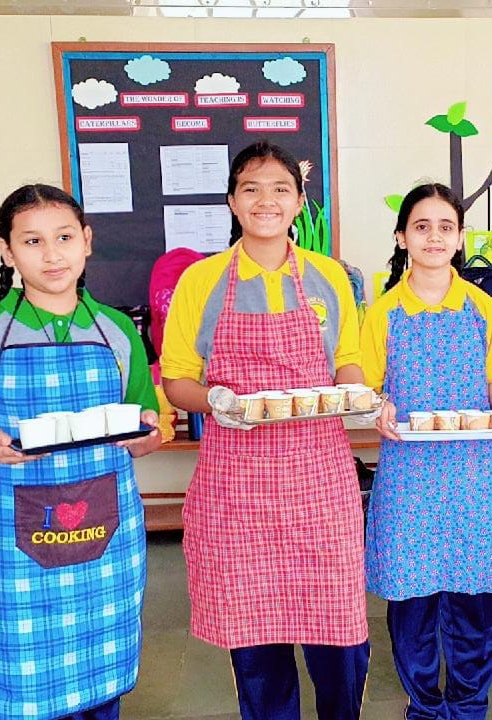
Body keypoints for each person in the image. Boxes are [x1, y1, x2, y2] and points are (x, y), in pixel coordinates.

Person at [0, 184, 165, 720]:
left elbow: (146, 435)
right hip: (8, 545)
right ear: (7, 251)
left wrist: (148, 436)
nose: (52, 254)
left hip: (102, 537)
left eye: (64, 237)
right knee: (23, 683)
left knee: (99, 677)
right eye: (32, 241)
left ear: (87, 241)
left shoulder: (118, 331)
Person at [160, 141, 370, 720]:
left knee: (338, 634)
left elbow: (347, 361)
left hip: (320, 482)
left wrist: (357, 395)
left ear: (299, 202)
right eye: (250, 188)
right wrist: (215, 400)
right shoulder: (202, 281)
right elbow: (177, 379)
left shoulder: (330, 277)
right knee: (255, 643)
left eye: (280, 188)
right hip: (238, 487)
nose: (266, 201)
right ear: (232, 201)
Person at [362, 182, 492, 720]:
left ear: (459, 239)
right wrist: (378, 407)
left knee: (474, 599)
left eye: (445, 227)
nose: (434, 237)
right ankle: (426, 706)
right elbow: (368, 388)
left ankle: (469, 703)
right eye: (422, 226)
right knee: (411, 600)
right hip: (407, 474)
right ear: (402, 237)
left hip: (472, 472)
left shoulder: (483, 307)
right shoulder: (383, 312)